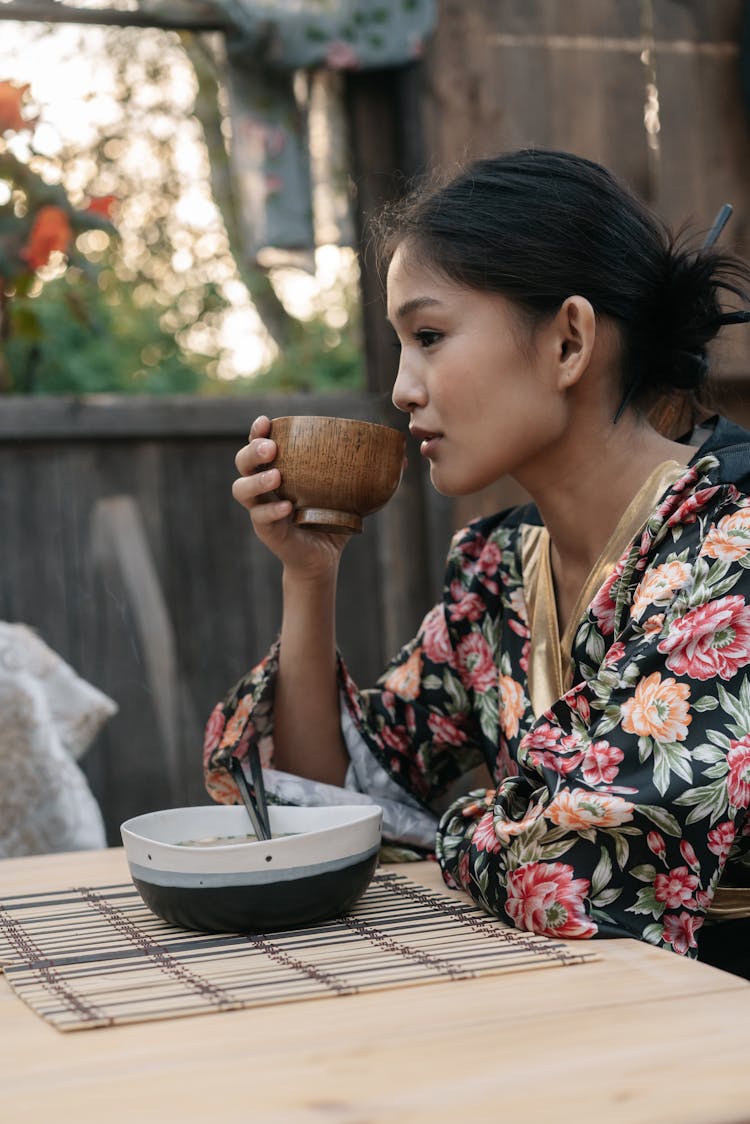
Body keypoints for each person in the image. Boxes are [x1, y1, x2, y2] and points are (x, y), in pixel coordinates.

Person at [204, 148, 750, 974]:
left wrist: (424, 829)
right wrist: (309, 573)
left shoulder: (731, 547)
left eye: (429, 336)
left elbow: (573, 874)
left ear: (569, 341)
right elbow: (325, 802)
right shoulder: (496, 569)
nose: (401, 389)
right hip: (571, 1018)